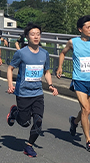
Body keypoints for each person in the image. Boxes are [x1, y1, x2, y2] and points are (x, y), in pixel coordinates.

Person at [6, 23, 58, 157]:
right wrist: (10, 85)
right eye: (32, 34)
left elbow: (46, 71)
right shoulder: (21, 53)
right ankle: (14, 112)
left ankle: (29, 146)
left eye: (38, 34)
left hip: (38, 93)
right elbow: (10, 68)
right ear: (27, 37)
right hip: (23, 92)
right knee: (24, 122)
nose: (36, 37)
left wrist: (51, 85)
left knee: (38, 121)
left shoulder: (44, 53)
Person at [57, 15, 90, 152]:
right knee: (85, 109)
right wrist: (60, 67)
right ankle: (88, 140)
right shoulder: (73, 42)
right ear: (80, 29)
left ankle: (74, 121)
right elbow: (62, 53)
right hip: (79, 80)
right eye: (88, 27)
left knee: (87, 111)